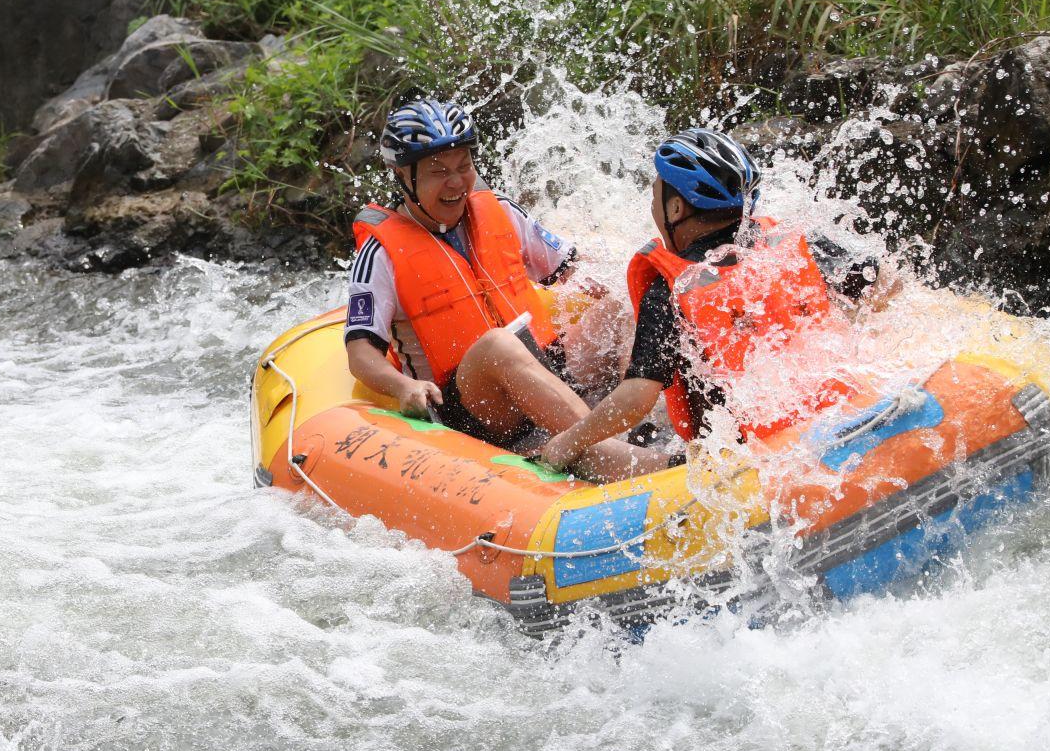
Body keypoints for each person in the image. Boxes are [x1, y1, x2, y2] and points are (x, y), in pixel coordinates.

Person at [540, 128, 887, 481]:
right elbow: (884, 282)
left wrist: (566, 443)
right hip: (840, 418)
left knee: (587, 457)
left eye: (655, 194)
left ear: (675, 208)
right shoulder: (792, 243)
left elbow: (635, 399)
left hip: (745, 464)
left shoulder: (674, 287)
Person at [345, 97, 659, 477]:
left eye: (464, 166)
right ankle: (605, 452)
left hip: (546, 368)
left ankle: (643, 423)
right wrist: (400, 387)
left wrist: (624, 292)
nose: (457, 182)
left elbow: (572, 269)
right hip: (473, 407)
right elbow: (361, 352)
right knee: (498, 344)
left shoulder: (500, 211)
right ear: (402, 176)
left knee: (621, 301)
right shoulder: (380, 253)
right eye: (437, 172)